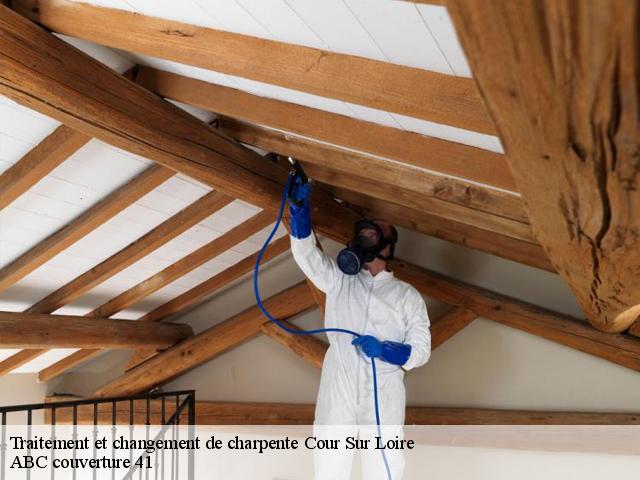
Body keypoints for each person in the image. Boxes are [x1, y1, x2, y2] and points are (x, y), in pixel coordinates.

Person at [287, 176, 431, 479]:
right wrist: (299, 213)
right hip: (338, 387)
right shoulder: (341, 281)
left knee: (383, 465)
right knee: (329, 463)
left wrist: (385, 350)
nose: (366, 240)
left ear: (388, 247)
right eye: (362, 234)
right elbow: (308, 258)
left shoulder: (406, 296)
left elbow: (421, 351)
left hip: (383, 393)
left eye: (373, 235)